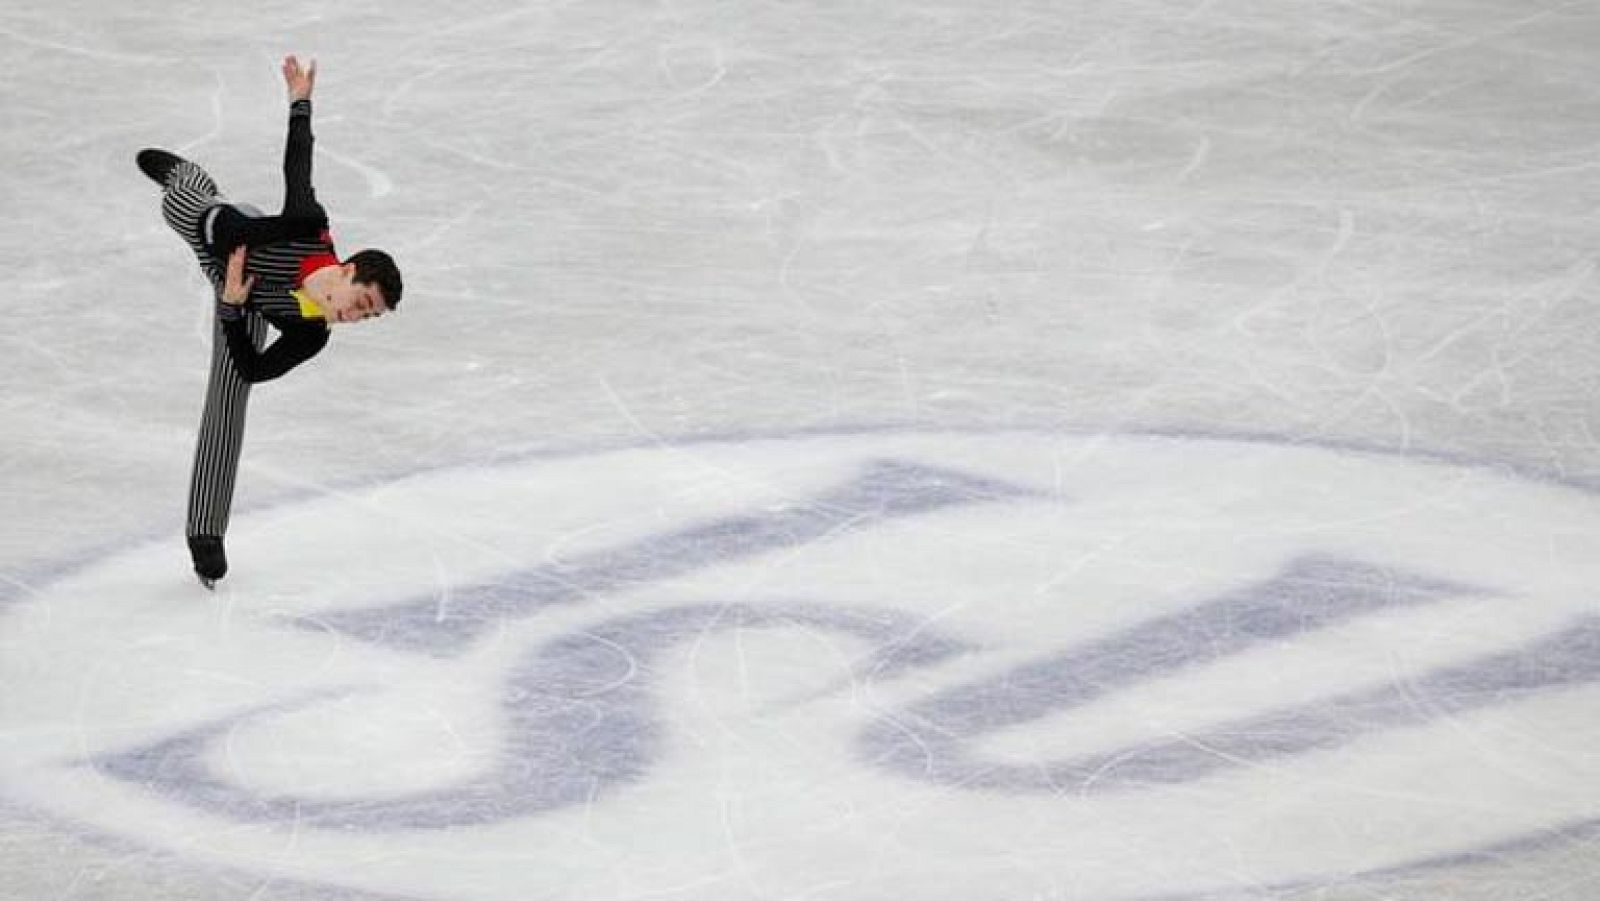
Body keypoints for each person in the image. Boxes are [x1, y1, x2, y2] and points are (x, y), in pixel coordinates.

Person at [137, 55, 404, 589]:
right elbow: (298, 168)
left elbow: (255, 367)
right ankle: (186, 174)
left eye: (367, 317)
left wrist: (234, 306)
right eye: (361, 301)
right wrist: (300, 101)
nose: (354, 316)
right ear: (348, 270)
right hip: (239, 235)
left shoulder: (312, 332)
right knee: (190, 208)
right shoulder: (310, 228)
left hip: (242, 297)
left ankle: (205, 533)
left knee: (229, 392)